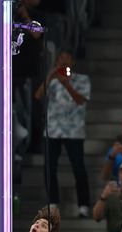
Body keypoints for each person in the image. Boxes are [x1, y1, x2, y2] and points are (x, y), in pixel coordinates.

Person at [35, 50, 91, 217]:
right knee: (49, 167)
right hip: (52, 130)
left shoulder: (82, 79)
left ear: (73, 62)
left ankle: (84, 205)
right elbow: (37, 96)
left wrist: (66, 84)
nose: (64, 63)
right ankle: (52, 202)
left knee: (78, 168)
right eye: (61, 60)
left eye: (67, 60)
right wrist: (50, 76)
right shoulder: (51, 81)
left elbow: (81, 100)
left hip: (74, 130)